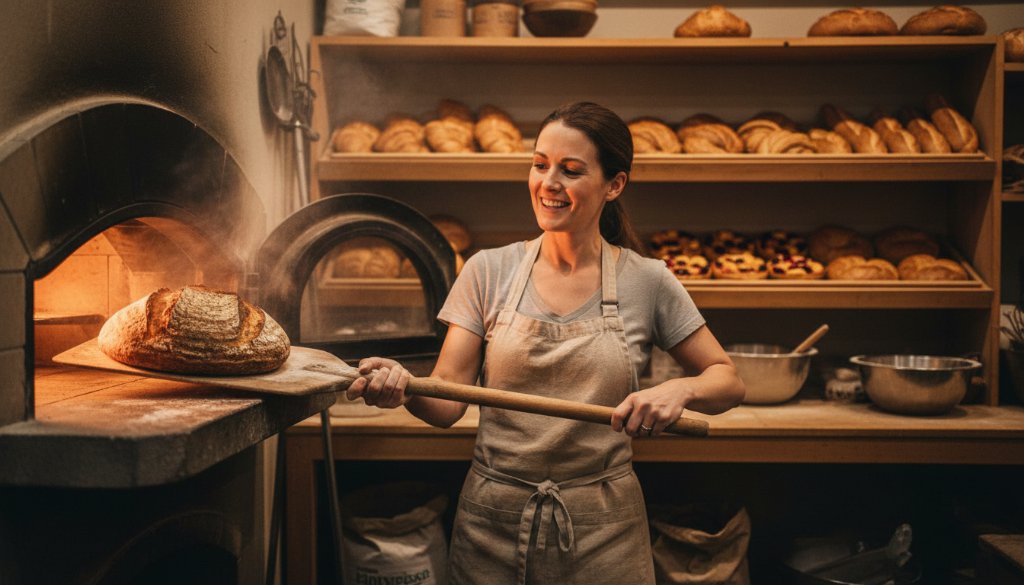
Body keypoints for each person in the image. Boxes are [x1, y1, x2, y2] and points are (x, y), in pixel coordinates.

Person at [345, 101, 745, 585]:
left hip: (605, 528)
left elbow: (727, 381)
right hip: (493, 521)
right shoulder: (488, 270)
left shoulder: (647, 280)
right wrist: (404, 387)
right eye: (540, 165)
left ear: (614, 184)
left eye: (571, 170)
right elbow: (447, 398)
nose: (548, 182)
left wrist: (680, 389)